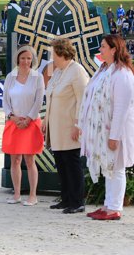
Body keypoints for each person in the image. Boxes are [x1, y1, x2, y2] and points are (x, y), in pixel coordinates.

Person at [78, 35, 134, 220]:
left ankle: (115, 208)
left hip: (116, 130)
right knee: (107, 167)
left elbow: (122, 108)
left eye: (103, 46)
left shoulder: (123, 74)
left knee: (116, 168)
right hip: (103, 130)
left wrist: (114, 136)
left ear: (114, 49)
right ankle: (108, 205)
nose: (100, 49)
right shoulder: (104, 70)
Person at [42, 38, 89, 214]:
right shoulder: (58, 71)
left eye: (53, 53)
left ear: (62, 53)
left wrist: (78, 124)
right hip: (56, 128)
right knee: (61, 164)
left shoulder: (77, 71)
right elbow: (51, 97)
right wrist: (45, 121)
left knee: (72, 164)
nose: (51, 57)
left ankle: (77, 202)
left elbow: (83, 99)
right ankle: (66, 199)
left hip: (70, 126)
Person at [2, 46, 45, 206]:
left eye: (28, 58)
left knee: (29, 159)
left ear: (32, 60)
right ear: (17, 59)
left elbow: (39, 101)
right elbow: (5, 100)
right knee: (15, 160)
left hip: (31, 123)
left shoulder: (38, 77)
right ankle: (16, 194)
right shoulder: (10, 77)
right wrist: (12, 117)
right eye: (22, 58)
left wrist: (28, 119)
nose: (26, 61)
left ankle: (33, 195)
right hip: (13, 123)